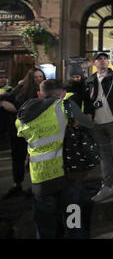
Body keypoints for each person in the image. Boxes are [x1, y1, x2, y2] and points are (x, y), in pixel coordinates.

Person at [16, 79, 93, 238]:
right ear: (63, 94)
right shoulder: (66, 107)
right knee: (74, 225)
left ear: (39, 94)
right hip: (68, 177)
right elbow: (88, 124)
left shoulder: (22, 116)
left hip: (40, 181)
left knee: (45, 229)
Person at [85, 52, 113, 202]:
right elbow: (87, 100)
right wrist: (88, 114)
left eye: (105, 58)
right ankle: (107, 185)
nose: (103, 60)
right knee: (104, 157)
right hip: (98, 124)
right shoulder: (90, 80)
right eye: (99, 59)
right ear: (94, 63)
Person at [0, 68, 46, 199]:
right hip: (19, 131)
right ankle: (17, 184)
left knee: (36, 158)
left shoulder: (44, 91)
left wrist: (16, 110)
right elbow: (7, 99)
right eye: (36, 77)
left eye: (41, 76)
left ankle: (35, 186)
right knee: (18, 157)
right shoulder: (22, 89)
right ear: (30, 78)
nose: (39, 79)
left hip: (36, 131)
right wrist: (18, 86)